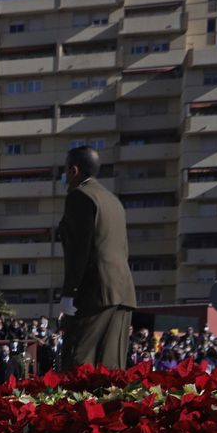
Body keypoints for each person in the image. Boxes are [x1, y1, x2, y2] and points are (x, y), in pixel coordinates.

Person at [57, 145, 136, 370]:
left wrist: (69, 292)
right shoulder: (113, 200)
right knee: (111, 367)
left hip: (95, 293)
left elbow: (78, 251)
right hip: (122, 292)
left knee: (78, 361)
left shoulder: (80, 197)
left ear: (73, 171)